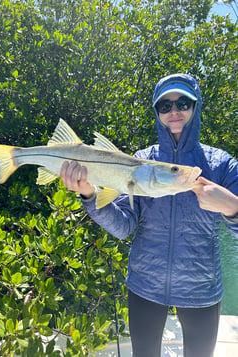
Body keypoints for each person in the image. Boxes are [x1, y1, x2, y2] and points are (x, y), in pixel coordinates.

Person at [60, 73, 238, 357]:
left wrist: (232, 207)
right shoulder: (139, 160)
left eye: (183, 103)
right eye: (164, 106)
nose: (174, 111)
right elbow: (122, 227)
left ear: (196, 106)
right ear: (156, 113)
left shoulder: (221, 164)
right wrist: (90, 195)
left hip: (201, 290)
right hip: (145, 285)